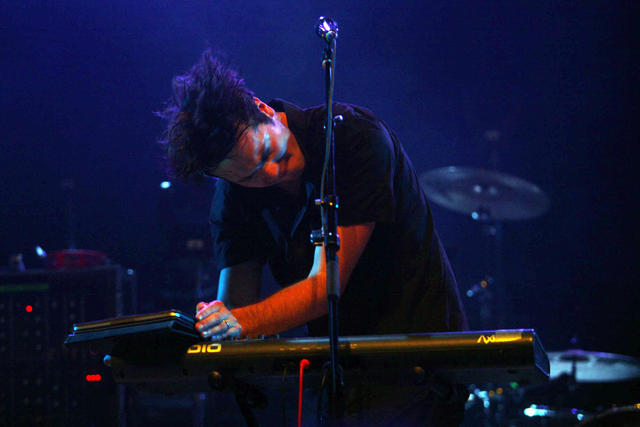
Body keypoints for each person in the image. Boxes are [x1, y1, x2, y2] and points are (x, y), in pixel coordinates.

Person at [159, 49, 468, 426]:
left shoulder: (352, 138)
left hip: (418, 358)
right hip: (334, 370)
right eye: (249, 177)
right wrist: (216, 322)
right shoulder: (232, 198)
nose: (270, 174)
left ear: (264, 110)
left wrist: (239, 321)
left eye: (266, 153)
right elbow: (237, 305)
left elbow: (325, 287)